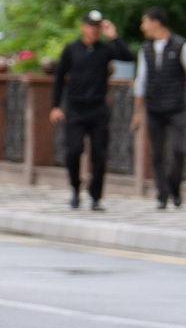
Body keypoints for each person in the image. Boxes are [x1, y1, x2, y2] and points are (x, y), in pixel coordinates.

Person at [50, 11, 132, 211]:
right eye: (90, 25)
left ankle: (96, 197)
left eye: (97, 26)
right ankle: (76, 190)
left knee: (99, 154)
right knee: (73, 150)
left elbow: (128, 57)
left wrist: (113, 35)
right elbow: (60, 78)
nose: (93, 30)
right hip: (76, 108)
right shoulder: (71, 49)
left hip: (98, 109)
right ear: (83, 27)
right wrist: (56, 106)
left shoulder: (105, 50)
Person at [136, 8, 186, 209]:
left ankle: (174, 186)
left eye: (145, 22)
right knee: (157, 153)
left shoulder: (181, 45)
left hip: (176, 107)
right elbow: (140, 81)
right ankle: (162, 193)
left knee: (178, 149)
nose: (142, 27)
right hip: (154, 107)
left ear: (156, 23)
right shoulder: (145, 48)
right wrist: (137, 112)